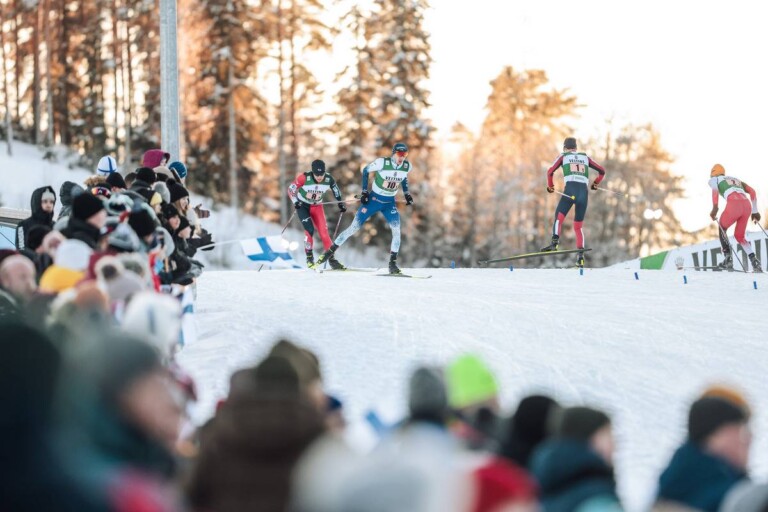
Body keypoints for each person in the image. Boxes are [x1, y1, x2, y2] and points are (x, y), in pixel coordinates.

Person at [315, 142, 414, 274]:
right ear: (394, 153)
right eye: (400, 154)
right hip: (373, 200)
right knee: (353, 228)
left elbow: (403, 177)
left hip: (389, 202)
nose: (402, 157)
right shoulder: (382, 163)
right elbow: (366, 170)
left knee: (396, 230)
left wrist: (406, 193)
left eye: (405, 155)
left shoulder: (407, 166)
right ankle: (328, 254)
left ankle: (392, 265)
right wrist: (364, 191)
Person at [654, 389, 751, 512]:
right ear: (713, 437)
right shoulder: (722, 493)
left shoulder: (677, 475)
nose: (746, 441)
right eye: (738, 431)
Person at [541, 137, 606, 268]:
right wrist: (595, 184)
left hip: (570, 191)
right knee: (578, 227)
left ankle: (554, 243)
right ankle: (580, 257)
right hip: (584, 194)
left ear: (565, 147)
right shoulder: (585, 157)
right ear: (576, 147)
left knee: (558, 218)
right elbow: (602, 171)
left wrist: (550, 186)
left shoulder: (563, 156)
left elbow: (550, 172)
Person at [288, 159, 345, 268]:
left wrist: (340, 203)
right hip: (303, 206)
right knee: (309, 230)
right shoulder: (304, 178)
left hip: (317, 206)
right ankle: (309, 258)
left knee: (324, 233)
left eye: (321, 174)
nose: (319, 177)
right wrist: (295, 202)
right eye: (317, 174)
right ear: (312, 172)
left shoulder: (328, 179)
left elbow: (335, 189)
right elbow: (291, 189)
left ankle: (331, 259)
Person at [709, 164, 762, 272]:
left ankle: (728, 259)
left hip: (734, 203)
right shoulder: (736, 179)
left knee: (722, 228)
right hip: (747, 206)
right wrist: (755, 211)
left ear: (713, 173)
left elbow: (714, 189)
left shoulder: (714, 179)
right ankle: (755, 261)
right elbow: (752, 191)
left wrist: (715, 207)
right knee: (739, 236)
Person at [15, 186, 56, 250]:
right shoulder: (23, 225)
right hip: (29, 259)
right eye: (45, 201)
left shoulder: (55, 226)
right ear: (37, 202)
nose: (49, 205)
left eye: (51, 202)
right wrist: (37, 257)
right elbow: (21, 248)